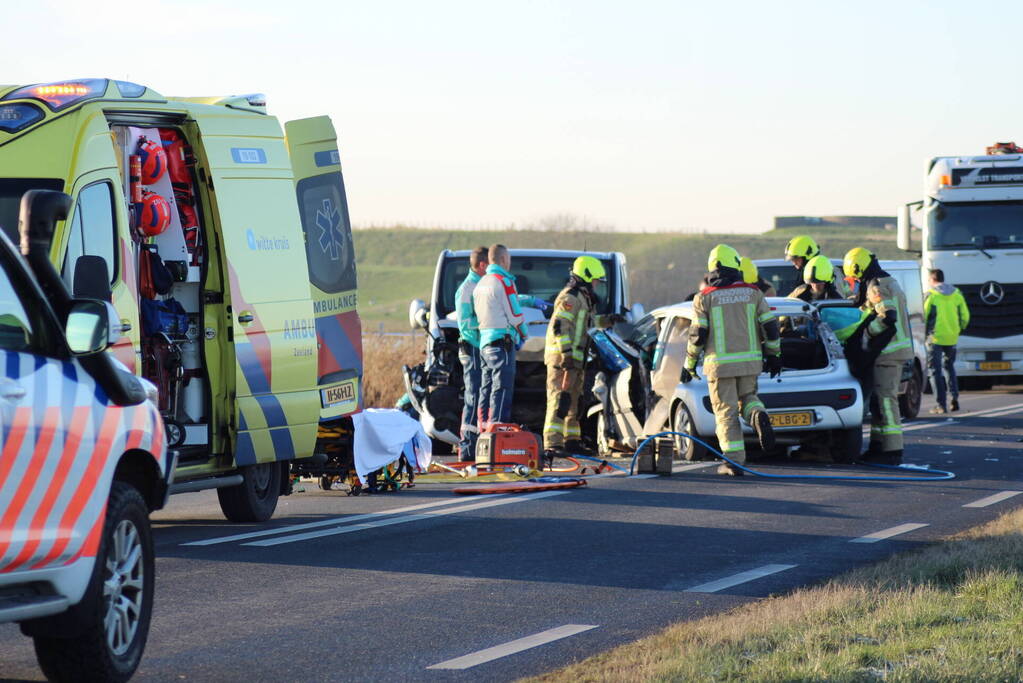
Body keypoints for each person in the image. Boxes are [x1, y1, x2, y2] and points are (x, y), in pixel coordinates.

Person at [683, 244, 782, 475]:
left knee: (725, 411)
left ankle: (733, 462)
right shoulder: (753, 293)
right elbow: (771, 326)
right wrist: (774, 355)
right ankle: (757, 414)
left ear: (713, 267)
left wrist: (689, 364)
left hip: (719, 366)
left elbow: (698, 335)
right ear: (735, 265)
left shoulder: (704, 298)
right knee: (749, 398)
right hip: (750, 363)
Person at [542, 256, 619, 460]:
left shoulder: (583, 298)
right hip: (563, 360)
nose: (596, 285)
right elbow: (560, 327)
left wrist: (608, 320)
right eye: (595, 281)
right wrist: (566, 354)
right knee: (560, 399)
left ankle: (571, 441)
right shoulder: (570, 298)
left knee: (575, 401)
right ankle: (552, 442)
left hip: (576, 361)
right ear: (586, 277)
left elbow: (588, 323)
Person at [843, 247, 913, 464]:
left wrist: (865, 334)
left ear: (858, 268)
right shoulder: (889, 281)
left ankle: (891, 450)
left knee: (886, 402)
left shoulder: (876, 286)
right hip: (895, 351)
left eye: (855, 276)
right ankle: (878, 447)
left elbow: (887, 317)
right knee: (879, 403)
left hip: (888, 353)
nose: (855, 279)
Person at [473, 244, 528, 430]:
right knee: (502, 387)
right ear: (504, 259)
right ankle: (498, 429)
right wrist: (524, 335)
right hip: (501, 343)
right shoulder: (503, 281)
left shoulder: (481, 283)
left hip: (484, 343)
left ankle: (483, 427)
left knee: (486, 387)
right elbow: (515, 314)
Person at [454, 246, 489, 461]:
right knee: (473, 396)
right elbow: (466, 324)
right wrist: (486, 328)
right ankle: (467, 448)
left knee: (480, 396)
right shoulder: (467, 289)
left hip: (480, 347)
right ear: (482, 265)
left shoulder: (481, 285)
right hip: (472, 347)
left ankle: (478, 446)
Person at [923, 268, 970, 414]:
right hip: (952, 337)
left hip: (935, 338)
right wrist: (959, 328)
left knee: (935, 371)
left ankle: (940, 404)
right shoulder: (956, 294)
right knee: (949, 367)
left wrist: (923, 334)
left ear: (932, 279)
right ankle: (954, 398)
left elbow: (923, 316)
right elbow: (965, 315)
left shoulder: (931, 295)